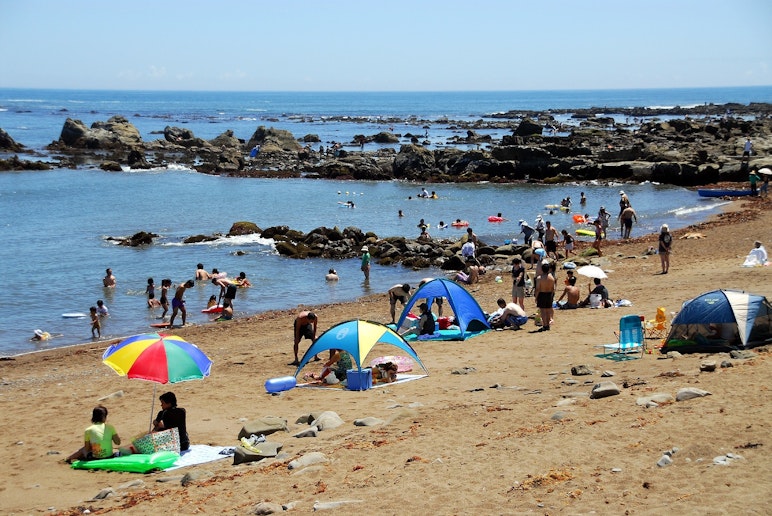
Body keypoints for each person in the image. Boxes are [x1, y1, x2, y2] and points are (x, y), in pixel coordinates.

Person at [534, 262, 555, 332]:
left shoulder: (539, 278)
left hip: (542, 294)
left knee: (542, 310)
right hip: (549, 294)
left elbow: (537, 289)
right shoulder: (552, 278)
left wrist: (536, 297)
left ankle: (545, 325)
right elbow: (553, 288)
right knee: (548, 310)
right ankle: (547, 325)